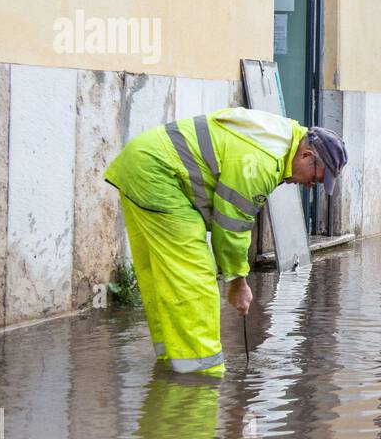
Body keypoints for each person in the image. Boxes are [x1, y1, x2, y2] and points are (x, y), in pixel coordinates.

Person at [104, 108, 346, 374]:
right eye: (315, 178)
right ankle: (201, 377)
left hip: (141, 166)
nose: (310, 186)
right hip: (158, 176)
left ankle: (172, 362)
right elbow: (230, 228)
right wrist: (237, 282)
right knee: (196, 281)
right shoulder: (262, 161)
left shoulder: (283, 137)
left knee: (163, 277)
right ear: (307, 156)